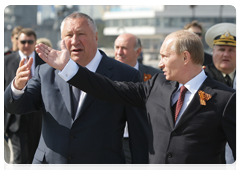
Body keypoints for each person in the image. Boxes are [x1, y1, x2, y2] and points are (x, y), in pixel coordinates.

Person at [35, 29, 237, 170]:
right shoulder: (158, 85)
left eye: (165, 56)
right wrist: (69, 68)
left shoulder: (226, 99)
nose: (160, 63)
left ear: (185, 58)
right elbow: (109, 88)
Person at [4, 12, 149, 170]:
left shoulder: (126, 75)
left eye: (81, 34)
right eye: (68, 35)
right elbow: (16, 107)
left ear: (96, 37)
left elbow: (139, 137)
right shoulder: (46, 72)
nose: (74, 41)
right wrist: (17, 87)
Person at [114, 33, 162, 169]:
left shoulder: (154, 76)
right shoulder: (105, 74)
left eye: (124, 48)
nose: (119, 52)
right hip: (114, 141)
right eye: (116, 47)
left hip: (145, 141)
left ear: (138, 52)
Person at [4, 28, 45, 170]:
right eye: (23, 42)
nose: (26, 45)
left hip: (38, 117)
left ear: (35, 42)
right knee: (20, 160)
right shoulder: (5, 61)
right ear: (17, 42)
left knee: (37, 159)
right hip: (15, 118)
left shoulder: (45, 61)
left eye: (30, 41)